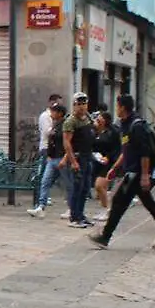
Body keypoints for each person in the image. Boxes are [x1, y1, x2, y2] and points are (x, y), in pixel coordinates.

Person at [90, 95, 155, 250]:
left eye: (117, 106)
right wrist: (115, 168)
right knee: (147, 203)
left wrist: (144, 176)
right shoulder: (126, 124)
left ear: (122, 107)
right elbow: (127, 150)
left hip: (136, 173)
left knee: (118, 203)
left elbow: (144, 152)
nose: (116, 109)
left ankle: (105, 237)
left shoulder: (136, 126)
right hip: (132, 171)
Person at [27, 104, 67, 218]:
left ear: (60, 113)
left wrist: (65, 158)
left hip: (62, 159)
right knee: (45, 181)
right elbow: (50, 140)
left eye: (54, 112)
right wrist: (49, 155)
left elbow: (67, 143)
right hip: (52, 159)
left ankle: (71, 208)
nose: (51, 114)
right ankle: (41, 207)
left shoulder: (65, 125)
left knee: (68, 184)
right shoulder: (54, 125)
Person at [62, 93, 95, 228]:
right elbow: (67, 142)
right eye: (79, 104)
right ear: (74, 105)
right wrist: (73, 161)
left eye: (84, 104)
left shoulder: (87, 118)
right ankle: (74, 217)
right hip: (78, 157)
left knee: (86, 188)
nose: (82, 107)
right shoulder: (71, 121)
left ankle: (81, 214)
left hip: (88, 156)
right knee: (78, 187)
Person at [91, 111, 120, 222]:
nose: (98, 120)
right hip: (98, 161)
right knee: (101, 188)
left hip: (109, 163)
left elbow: (116, 148)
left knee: (99, 185)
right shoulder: (96, 131)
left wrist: (108, 157)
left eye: (100, 118)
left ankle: (107, 209)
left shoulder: (113, 132)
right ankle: (105, 208)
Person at [38, 94, 64, 205]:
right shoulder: (45, 116)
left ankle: (44, 196)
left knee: (51, 176)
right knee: (45, 176)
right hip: (46, 148)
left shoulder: (59, 120)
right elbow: (46, 132)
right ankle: (41, 199)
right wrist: (54, 129)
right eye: (57, 103)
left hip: (56, 151)